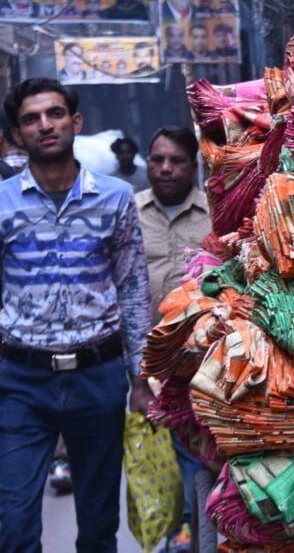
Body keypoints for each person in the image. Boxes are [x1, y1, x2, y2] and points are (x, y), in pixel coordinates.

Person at [0, 77, 153, 551]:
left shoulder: (115, 198)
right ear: (17, 135)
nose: (45, 125)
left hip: (98, 376)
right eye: (31, 119)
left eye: (54, 114)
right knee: (15, 524)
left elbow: (132, 288)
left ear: (75, 122)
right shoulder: (2, 203)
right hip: (20, 381)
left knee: (98, 524)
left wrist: (142, 380)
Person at [135, 127, 210, 553]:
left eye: (176, 160)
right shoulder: (130, 211)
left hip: (196, 360)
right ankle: (165, 528)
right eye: (157, 159)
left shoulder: (214, 212)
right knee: (148, 452)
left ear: (192, 164)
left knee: (194, 448)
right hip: (141, 359)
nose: (165, 169)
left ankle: (186, 531)